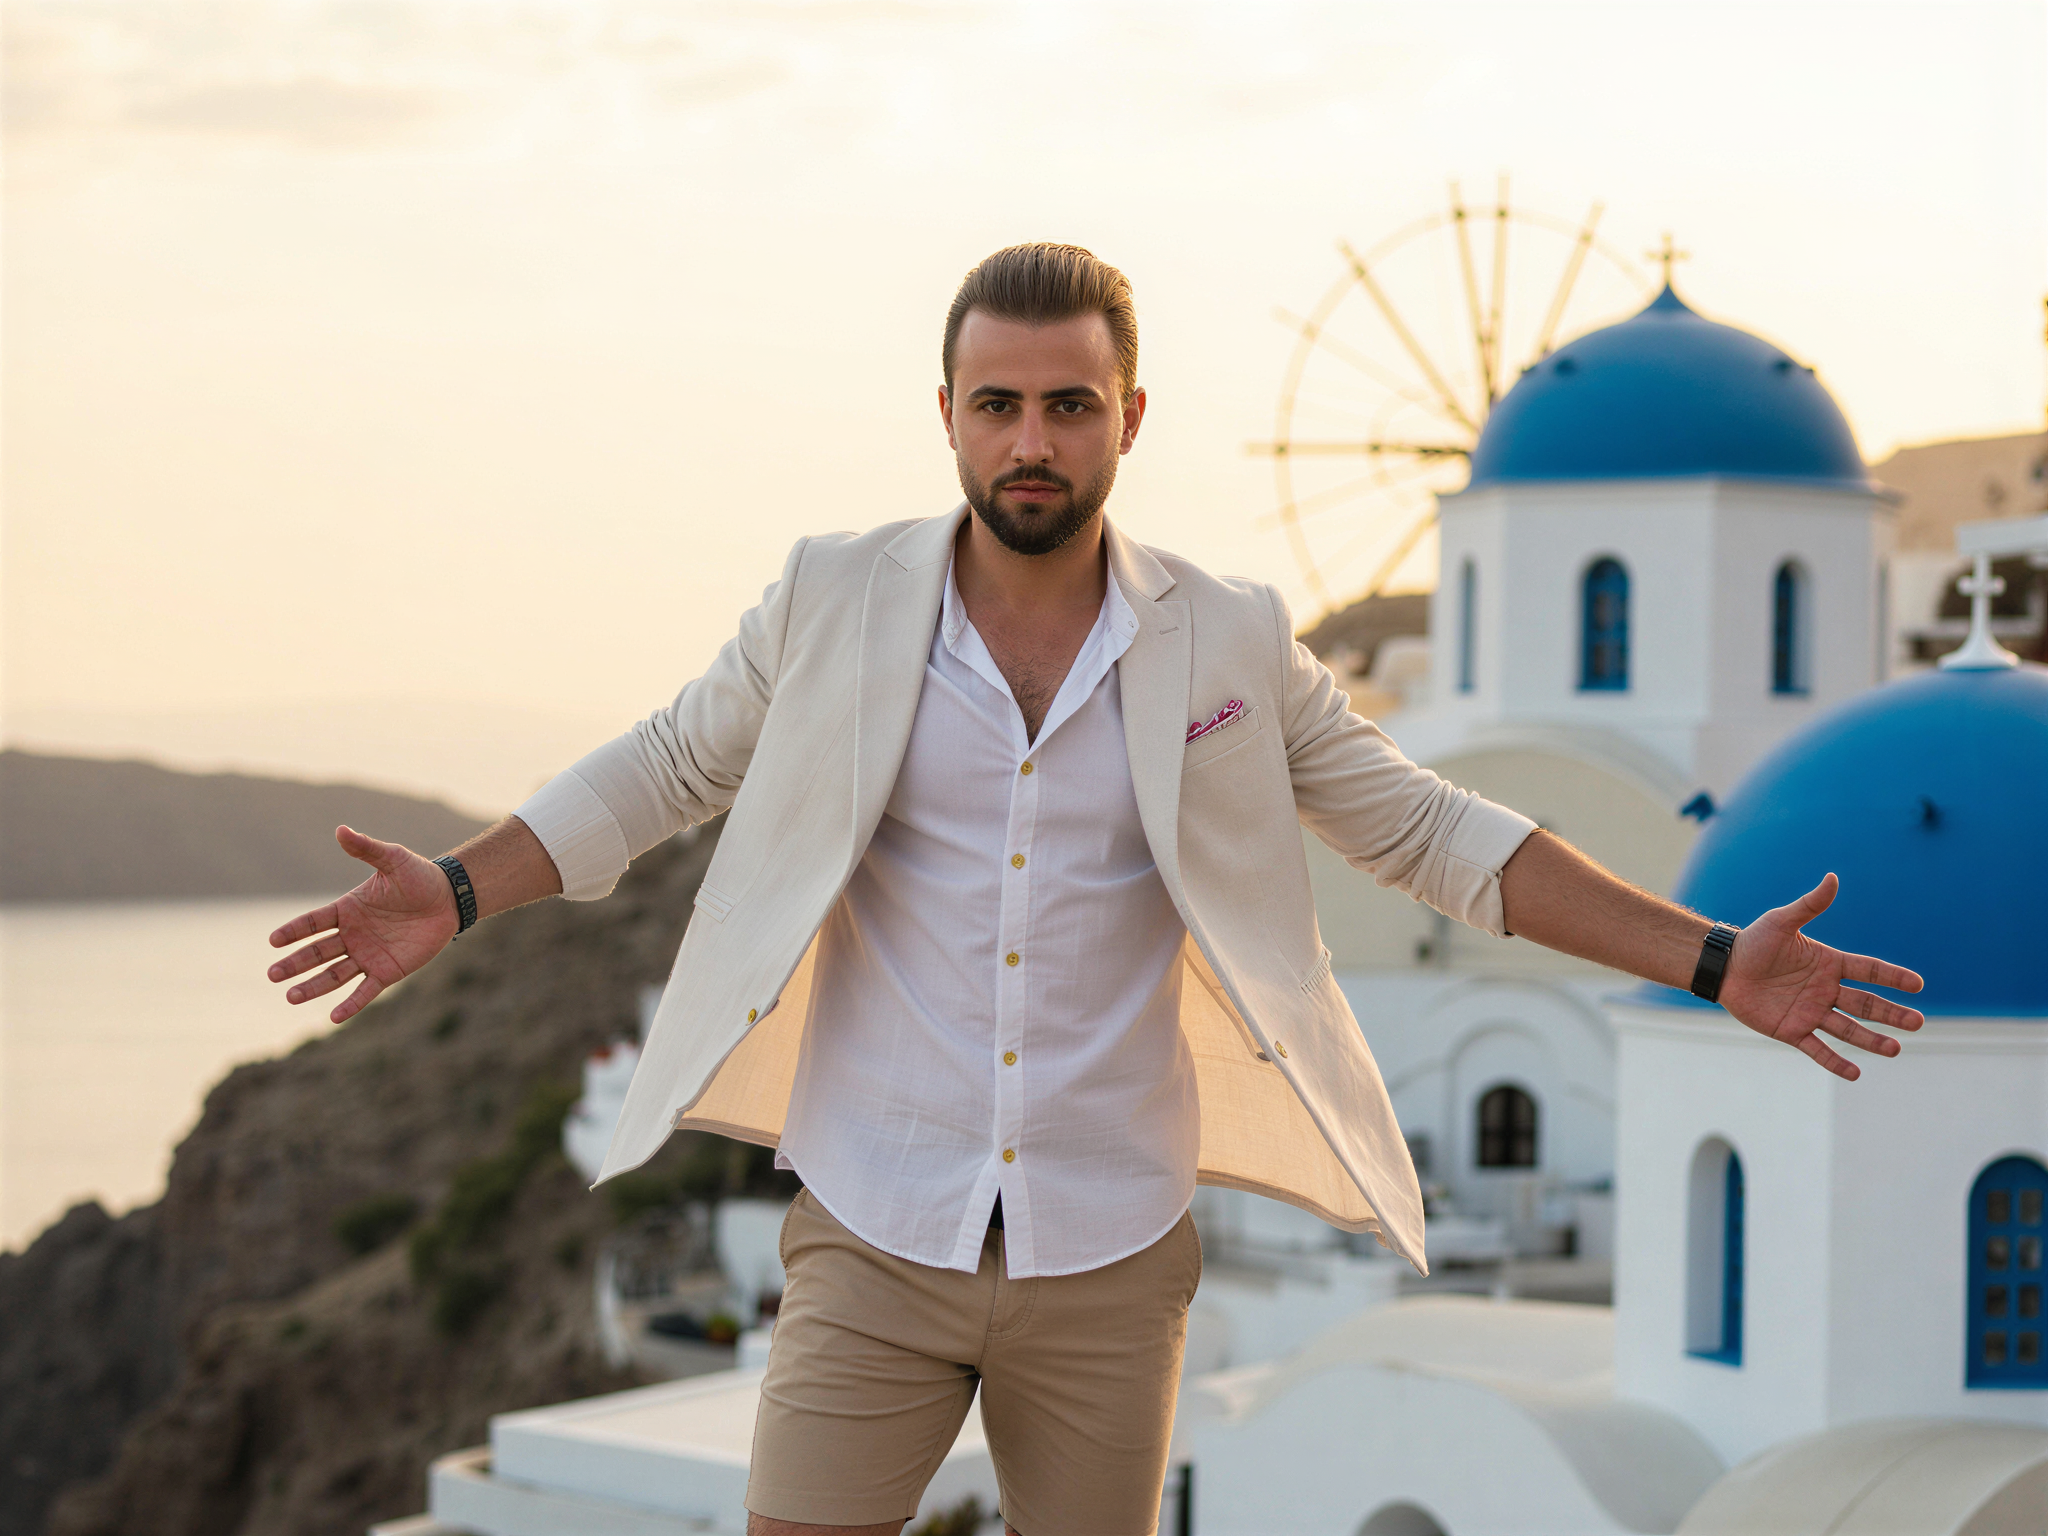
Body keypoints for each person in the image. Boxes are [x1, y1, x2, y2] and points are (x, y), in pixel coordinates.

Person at [267, 243, 1925, 1536]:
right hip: (872, 1218)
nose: (1032, 440)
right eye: (998, 404)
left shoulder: (1225, 638)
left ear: (1131, 417)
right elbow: (662, 769)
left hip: (1111, 1248)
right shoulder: (836, 602)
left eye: (1069, 404)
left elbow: (1432, 836)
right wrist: (464, 891)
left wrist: (1713, 963)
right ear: (947, 418)